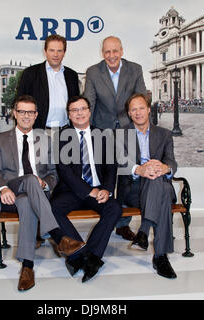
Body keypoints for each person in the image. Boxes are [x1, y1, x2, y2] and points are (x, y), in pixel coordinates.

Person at [0, 95, 85, 291]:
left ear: (36, 115)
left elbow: (53, 174)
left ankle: (28, 267)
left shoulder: (45, 140)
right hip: (10, 193)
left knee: (26, 201)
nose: (26, 116)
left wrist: (46, 185)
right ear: (14, 113)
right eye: (22, 111)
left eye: (30, 112)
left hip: (36, 196)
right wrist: (2, 188)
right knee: (30, 180)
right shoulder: (0, 139)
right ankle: (59, 236)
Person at [51, 96, 122, 283]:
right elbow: (64, 171)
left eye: (82, 109)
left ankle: (92, 256)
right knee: (53, 209)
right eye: (74, 110)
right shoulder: (61, 137)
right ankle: (78, 253)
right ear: (69, 115)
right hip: (71, 190)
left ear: (89, 111)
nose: (79, 113)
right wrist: (88, 191)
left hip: (98, 190)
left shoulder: (103, 135)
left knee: (114, 208)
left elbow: (111, 166)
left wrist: (106, 189)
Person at [83, 35, 147, 241]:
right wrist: (87, 132)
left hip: (128, 128)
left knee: (126, 177)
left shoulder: (135, 69)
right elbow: (89, 103)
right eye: (107, 52)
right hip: (101, 129)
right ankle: (107, 219)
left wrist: (144, 129)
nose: (111, 56)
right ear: (103, 53)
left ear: (122, 51)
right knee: (105, 177)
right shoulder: (93, 72)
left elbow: (141, 100)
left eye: (115, 51)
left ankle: (122, 225)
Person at [116, 93, 178, 279]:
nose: (138, 112)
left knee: (159, 183)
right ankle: (160, 256)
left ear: (149, 109)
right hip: (133, 189)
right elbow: (119, 161)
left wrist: (165, 168)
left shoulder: (164, 134)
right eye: (133, 109)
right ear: (129, 113)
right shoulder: (120, 135)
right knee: (163, 192)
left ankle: (144, 233)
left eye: (141, 107)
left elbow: (171, 161)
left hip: (157, 184)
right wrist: (139, 169)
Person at [16, 34, 80, 129]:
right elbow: (19, 105)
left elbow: (75, 105)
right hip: (38, 131)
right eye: (51, 50)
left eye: (59, 50)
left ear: (64, 52)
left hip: (66, 131)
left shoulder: (72, 75)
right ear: (45, 51)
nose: (55, 54)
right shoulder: (30, 73)